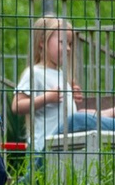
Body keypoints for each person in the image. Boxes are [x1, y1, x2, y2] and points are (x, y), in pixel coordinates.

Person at [12, 15, 79, 151]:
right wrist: (46, 98)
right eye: (63, 42)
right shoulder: (35, 73)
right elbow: (16, 105)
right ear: (42, 42)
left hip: (62, 147)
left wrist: (73, 97)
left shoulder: (62, 74)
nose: (68, 49)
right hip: (42, 147)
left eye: (70, 44)